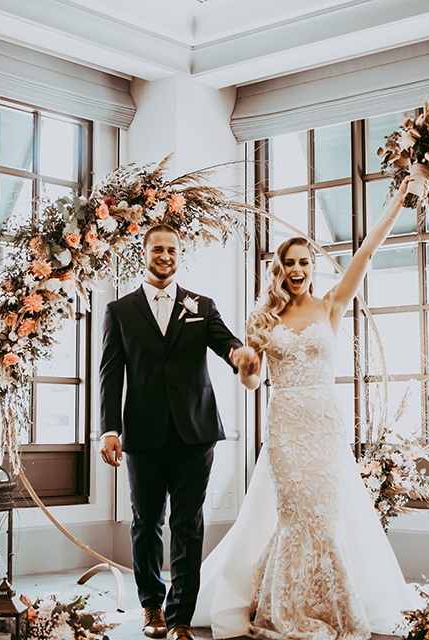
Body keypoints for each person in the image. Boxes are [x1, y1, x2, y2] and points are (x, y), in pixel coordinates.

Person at [192, 183, 421, 640]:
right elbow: (252, 380)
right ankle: (286, 605)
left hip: (324, 425)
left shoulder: (331, 305)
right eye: (288, 263)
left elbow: (368, 249)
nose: (296, 270)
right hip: (285, 426)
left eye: (303, 263)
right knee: (295, 515)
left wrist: (399, 200)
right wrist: (249, 369)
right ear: (279, 270)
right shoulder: (264, 318)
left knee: (325, 515)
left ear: (313, 269)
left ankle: (330, 604)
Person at [99, 224, 259, 640]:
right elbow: (110, 375)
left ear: (179, 253)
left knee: (188, 524)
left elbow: (227, 344)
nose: (165, 255)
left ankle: (180, 619)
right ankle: (151, 607)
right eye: (158, 249)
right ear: (144, 251)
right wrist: (109, 430)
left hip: (195, 433)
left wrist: (240, 354)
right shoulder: (120, 311)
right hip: (143, 435)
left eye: (172, 250)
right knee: (146, 521)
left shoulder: (201, 306)